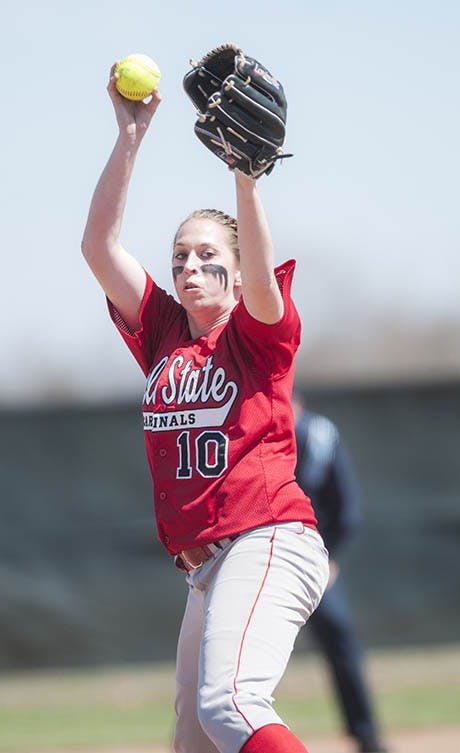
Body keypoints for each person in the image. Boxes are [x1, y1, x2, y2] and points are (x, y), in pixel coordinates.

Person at [81, 62, 329, 753]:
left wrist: (245, 183)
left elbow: (261, 283)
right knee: (196, 740)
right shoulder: (163, 332)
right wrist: (130, 136)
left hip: (266, 538)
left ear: (238, 264)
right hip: (205, 570)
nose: (188, 267)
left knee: (232, 705)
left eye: (206, 255)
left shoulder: (257, 331)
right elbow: (99, 248)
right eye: (179, 256)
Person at [292, 391, 388, 753]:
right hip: (255, 559)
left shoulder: (318, 434)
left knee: (340, 639)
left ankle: (366, 737)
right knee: (228, 652)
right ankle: (197, 741)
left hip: (311, 559)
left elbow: (346, 509)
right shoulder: (251, 431)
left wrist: (326, 557)